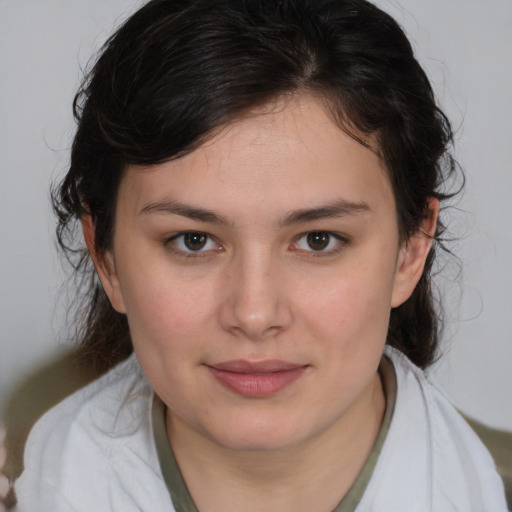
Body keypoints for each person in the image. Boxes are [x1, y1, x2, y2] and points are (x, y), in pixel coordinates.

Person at [12, 0, 508, 510]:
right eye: (193, 240)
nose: (253, 314)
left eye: (319, 239)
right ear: (106, 258)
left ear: (411, 250)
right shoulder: (23, 472)